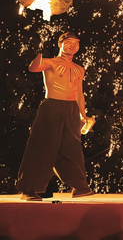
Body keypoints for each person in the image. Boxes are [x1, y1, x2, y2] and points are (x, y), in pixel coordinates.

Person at [16, 32, 95, 201]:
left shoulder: (79, 69)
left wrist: (83, 114)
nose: (72, 46)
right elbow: (33, 68)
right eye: (68, 42)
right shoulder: (50, 62)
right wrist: (40, 50)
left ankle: (80, 187)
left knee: (72, 149)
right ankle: (28, 190)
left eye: (76, 43)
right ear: (60, 44)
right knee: (43, 146)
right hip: (52, 106)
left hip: (71, 109)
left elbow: (79, 93)